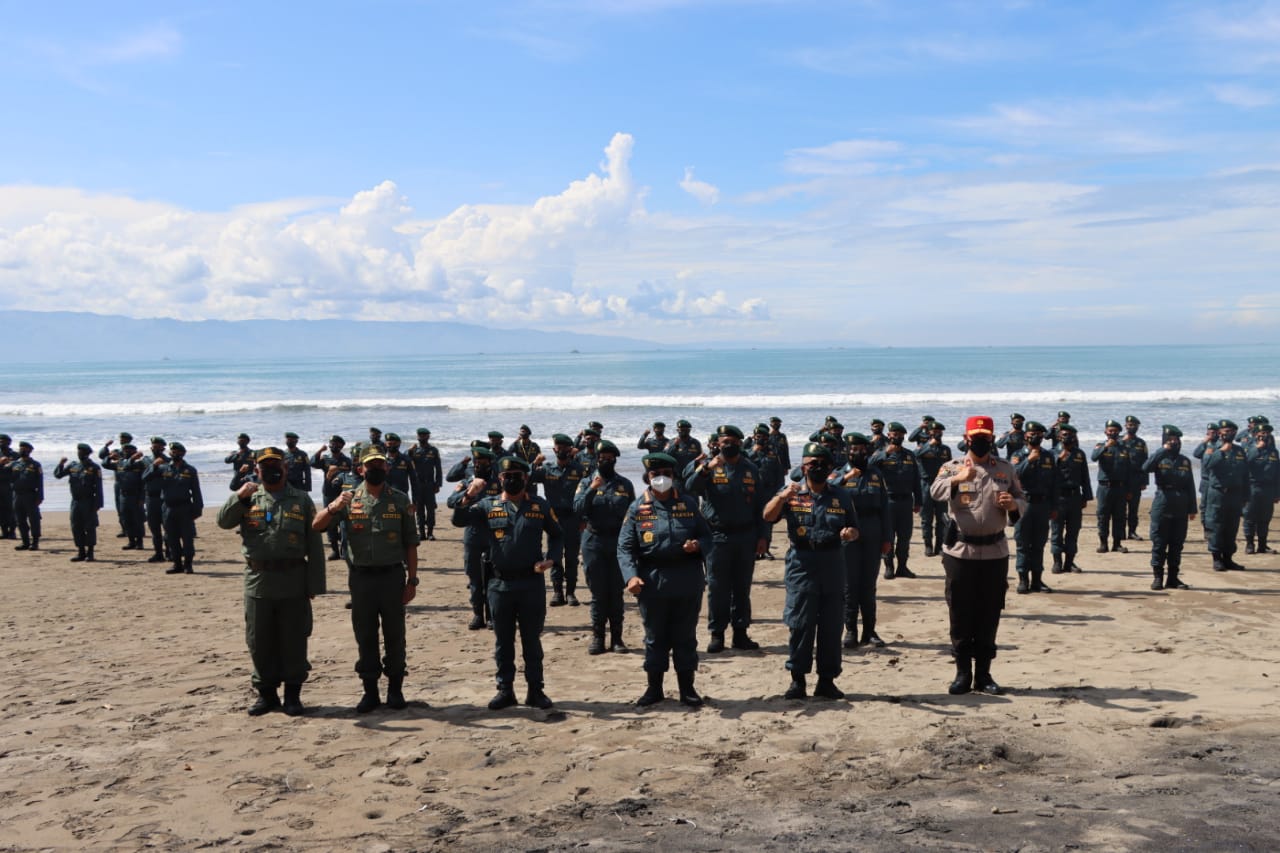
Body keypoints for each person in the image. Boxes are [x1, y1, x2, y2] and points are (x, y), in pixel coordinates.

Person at [218, 447, 327, 716]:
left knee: (294, 638)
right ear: (257, 470)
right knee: (259, 640)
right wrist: (238, 498)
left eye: (275, 465)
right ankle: (266, 695)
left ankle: (293, 696)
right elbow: (223, 522)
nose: (271, 470)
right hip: (259, 581)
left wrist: (314, 585)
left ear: (286, 468)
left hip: (292, 580)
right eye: (264, 466)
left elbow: (314, 544)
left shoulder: (301, 500)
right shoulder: (248, 498)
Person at [452, 456, 563, 710]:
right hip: (499, 585)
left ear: (525, 478)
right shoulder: (487, 506)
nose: (511, 479)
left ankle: (536, 690)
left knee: (531, 641)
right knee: (503, 641)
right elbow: (458, 520)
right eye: (506, 476)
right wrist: (469, 495)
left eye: (517, 476)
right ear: (499, 479)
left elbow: (557, 536)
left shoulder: (539, 506)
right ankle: (505, 690)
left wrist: (551, 560)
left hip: (531, 584)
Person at [314, 446, 420, 713]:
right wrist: (332, 506)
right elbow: (317, 526)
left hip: (392, 577)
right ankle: (370, 692)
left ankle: (395, 691)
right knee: (365, 636)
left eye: (379, 465)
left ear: (387, 468)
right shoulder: (349, 498)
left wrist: (412, 581)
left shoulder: (398, 499)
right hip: (361, 579)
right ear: (360, 469)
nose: (374, 469)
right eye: (369, 465)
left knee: (395, 635)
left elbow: (410, 544)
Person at [930, 416, 1027, 696]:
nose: (981, 440)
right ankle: (962, 672)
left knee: (989, 611)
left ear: (993, 437)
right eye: (976, 436)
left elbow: (1022, 498)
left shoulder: (1005, 469)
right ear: (966, 438)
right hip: (960, 552)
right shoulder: (952, 467)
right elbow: (934, 492)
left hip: (995, 552)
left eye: (986, 436)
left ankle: (984, 673)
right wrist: (960, 478)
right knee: (960, 612)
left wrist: (1014, 504)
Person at [763, 442, 859, 701]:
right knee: (801, 625)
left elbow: (854, 527)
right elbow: (768, 516)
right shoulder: (791, 493)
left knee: (831, 626)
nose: (816, 468)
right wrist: (782, 496)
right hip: (802, 565)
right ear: (803, 466)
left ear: (830, 468)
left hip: (832, 563)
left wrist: (850, 533)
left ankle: (826, 681)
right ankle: (798, 680)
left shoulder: (841, 495)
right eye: (811, 463)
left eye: (822, 464)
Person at [620, 452, 713, 707]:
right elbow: (625, 547)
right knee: (655, 637)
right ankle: (654, 689)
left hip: (686, 579)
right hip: (652, 581)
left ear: (674, 477)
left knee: (685, 636)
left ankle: (687, 689)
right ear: (647, 477)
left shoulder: (689, 504)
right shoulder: (637, 508)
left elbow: (709, 538)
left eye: (666, 474)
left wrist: (698, 546)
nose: (661, 479)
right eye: (655, 474)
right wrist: (631, 577)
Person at [686, 425, 767, 654]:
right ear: (717, 444)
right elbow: (690, 487)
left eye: (732, 441)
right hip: (716, 536)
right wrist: (705, 469)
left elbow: (760, 505)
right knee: (717, 588)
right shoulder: (709, 467)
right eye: (724, 441)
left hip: (746, 535)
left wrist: (763, 536)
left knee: (742, 587)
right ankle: (717, 634)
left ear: (740, 443)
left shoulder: (750, 469)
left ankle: (740, 633)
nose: (728, 445)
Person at [573, 440, 636, 654]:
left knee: (616, 592)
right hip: (594, 541)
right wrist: (592, 489)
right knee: (598, 592)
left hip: (618, 542)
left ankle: (617, 638)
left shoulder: (625, 485)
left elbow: (633, 515)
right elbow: (578, 509)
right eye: (602, 458)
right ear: (596, 459)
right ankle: (598, 637)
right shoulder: (585, 482)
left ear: (615, 460)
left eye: (610, 458)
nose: (605, 461)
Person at [838, 433, 889, 648]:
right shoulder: (838, 474)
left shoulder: (876, 474)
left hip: (873, 532)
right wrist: (846, 478)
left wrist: (887, 538)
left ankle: (869, 631)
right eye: (853, 449)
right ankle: (850, 630)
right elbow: (826, 497)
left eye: (861, 449)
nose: (858, 453)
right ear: (847, 451)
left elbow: (885, 509)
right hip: (848, 533)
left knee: (868, 586)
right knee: (850, 585)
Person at [445, 445, 502, 629]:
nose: (478, 466)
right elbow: (451, 502)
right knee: (474, 577)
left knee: (495, 577)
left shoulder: (499, 481)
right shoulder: (468, 481)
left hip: (495, 534)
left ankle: (493, 615)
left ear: (490, 463)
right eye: (476, 462)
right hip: (473, 534)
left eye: (482, 463)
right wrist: (469, 494)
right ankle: (478, 614)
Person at [530, 434, 587, 607]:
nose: (561, 450)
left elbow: (586, 495)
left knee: (571, 557)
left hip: (573, 519)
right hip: (553, 520)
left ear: (571, 449)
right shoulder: (547, 469)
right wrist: (534, 462)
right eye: (558, 447)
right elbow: (528, 477)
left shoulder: (579, 470)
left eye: (565, 447)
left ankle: (570, 593)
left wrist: (584, 518)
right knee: (554, 556)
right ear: (554, 449)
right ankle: (557, 592)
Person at [1143, 426, 1195, 590]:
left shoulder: (1184, 461)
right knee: (1159, 542)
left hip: (1181, 505)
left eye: (1177, 439)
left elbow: (1190, 485)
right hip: (1163, 503)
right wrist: (1162, 450)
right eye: (1171, 439)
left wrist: (1192, 508)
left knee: (1176, 544)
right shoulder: (1159, 458)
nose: (1174, 442)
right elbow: (1146, 468)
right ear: (1165, 441)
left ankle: (1173, 578)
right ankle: (1158, 577)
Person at [869, 422, 921, 579]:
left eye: (899, 434)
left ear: (903, 436)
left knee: (905, 537)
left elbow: (916, 480)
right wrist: (884, 453)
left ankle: (902, 567)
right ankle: (889, 567)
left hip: (905, 502)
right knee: (888, 536)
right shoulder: (881, 453)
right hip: (888, 502)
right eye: (893, 434)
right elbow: (868, 466)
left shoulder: (909, 455)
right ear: (889, 435)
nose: (896, 436)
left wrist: (918, 501)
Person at [143, 441, 204, 574]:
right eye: (172, 451)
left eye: (177, 451)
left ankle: (188, 564)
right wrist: (153, 465)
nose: (174, 453)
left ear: (183, 454)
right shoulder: (164, 468)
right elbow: (145, 478)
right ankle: (177, 564)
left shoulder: (190, 470)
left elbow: (196, 492)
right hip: (168, 508)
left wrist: (198, 509)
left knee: (187, 538)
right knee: (172, 538)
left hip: (184, 508)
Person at [1011, 422, 1057, 594]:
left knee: (1039, 544)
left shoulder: (1048, 456)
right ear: (1025, 436)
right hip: (1024, 504)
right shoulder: (1018, 455)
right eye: (1032, 433)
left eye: (1038, 433)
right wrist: (1028, 460)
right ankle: (1023, 580)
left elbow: (1054, 483)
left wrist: (1054, 506)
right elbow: (1014, 476)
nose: (1035, 436)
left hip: (1043, 505)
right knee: (1022, 543)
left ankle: (1037, 581)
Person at [1203, 419, 1250, 571]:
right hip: (1218, 495)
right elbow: (1207, 465)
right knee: (1216, 526)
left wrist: (1246, 496)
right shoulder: (1212, 448)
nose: (1227, 433)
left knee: (1231, 527)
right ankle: (1217, 559)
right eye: (1224, 431)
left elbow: (1245, 475)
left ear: (1234, 433)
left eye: (1230, 431)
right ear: (1219, 433)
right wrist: (1221, 451)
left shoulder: (1239, 451)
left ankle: (1228, 558)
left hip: (1235, 495)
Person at [1049, 424, 1092, 574]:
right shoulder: (1051, 454)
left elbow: (1085, 476)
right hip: (1058, 497)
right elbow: (1047, 476)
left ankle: (1069, 562)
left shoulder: (1079, 454)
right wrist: (1058, 460)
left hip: (1075, 498)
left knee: (1073, 531)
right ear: (1059, 436)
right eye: (1064, 434)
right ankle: (1057, 562)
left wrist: (1086, 496)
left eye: (1070, 435)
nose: (1067, 437)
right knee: (1056, 531)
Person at [54, 443, 104, 563]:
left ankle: (90, 552)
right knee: (76, 526)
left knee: (89, 527)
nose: (80, 454)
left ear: (87, 454)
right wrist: (60, 464)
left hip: (88, 501)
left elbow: (98, 488)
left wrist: (98, 504)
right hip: (75, 501)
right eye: (79, 452)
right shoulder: (73, 466)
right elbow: (58, 475)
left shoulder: (94, 468)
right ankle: (81, 551)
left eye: (82, 452)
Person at [1091, 420, 1131, 554]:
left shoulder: (1124, 448)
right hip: (1104, 487)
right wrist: (1105, 447)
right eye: (1110, 430)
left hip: (1120, 488)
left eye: (1115, 431)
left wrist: (1129, 489)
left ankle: (1117, 544)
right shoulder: (1100, 446)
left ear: (1119, 432)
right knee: (1103, 516)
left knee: (1119, 516)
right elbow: (1093, 457)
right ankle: (1103, 543)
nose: (1112, 433)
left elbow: (1129, 469)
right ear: (1105, 432)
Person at [915, 421, 952, 557]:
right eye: (934, 431)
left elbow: (950, 467)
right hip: (926, 485)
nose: (936, 433)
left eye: (939, 431)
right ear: (929, 432)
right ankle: (928, 545)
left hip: (942, 485)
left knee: (942, 517)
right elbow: (915, 456)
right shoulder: (922, 447)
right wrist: (928, 446)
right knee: (926, 519)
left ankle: (940, 546)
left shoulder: (945, 449)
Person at [312, 435, 352, 560]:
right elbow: (312, 463)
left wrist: (338, 469)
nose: (333, 445)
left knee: (344, 522)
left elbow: (353, 473)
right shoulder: (325, 458)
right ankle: (335, 550)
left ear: (341, 446)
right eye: (331, 443)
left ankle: (344, 549)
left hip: (342, 494)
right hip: (328, 493)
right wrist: (319, 451)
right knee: (329, 521)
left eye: (336, 443)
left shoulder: (347, 460)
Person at [103, 444, 147, 551]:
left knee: (137, 519)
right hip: (123, 495)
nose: (126, 451)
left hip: (136, 495)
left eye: (129, 450)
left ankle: (139, 542)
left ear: (134, 451)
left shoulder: (140, 464)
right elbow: (104, 464)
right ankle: (131, 541)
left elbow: (144, 482)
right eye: (125, 450)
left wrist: (142, 498)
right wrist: (109, 457)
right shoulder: (119, 463)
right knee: (126, 519)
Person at [1244, 425, 1279, 555]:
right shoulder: (1248, 448)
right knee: (1250, 517)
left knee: (1265, 518)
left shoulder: (1273, 451)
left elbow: (1277, 474)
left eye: (1266, 433)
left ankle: (1262, 545)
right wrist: (1256, 449)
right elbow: (1243, 464)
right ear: (1255, 434)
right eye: (1261, 433)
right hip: (1252, 487)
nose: (1264, 435)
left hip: (1268, 489)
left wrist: (1277, 493)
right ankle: (1249, 544)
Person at [408, 428, 443, 541]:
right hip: (417, 485)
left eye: (424, 435)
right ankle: (422, 533)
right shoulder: (414, 450)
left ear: (428, 437)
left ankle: (430, 533)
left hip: (429, 485)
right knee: (419, 509)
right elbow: (405, 460)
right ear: (417, 437)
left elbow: (438, 468)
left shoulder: (433, 450)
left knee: (431, 509)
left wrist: (438, 484)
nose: (422, 437)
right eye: (420, 435)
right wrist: (409, 451)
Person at [97, 431, 133, 538]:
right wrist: (106, 447)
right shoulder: (116, 451)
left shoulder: (132, 451)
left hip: (130, 483)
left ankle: (135, 529)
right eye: (121, 438)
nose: (122, 440)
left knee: (132, 508)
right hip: (118, 482)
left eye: (124, 439)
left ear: (129, 440)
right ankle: (124, 529)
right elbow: (102, 457)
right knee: (119, 507)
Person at [9, 441, 44, 551]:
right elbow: (4, 474)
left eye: (24, 449)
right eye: (20, 448)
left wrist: (40, 497)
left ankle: (35, 542)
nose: (22, 450)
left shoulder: (35, 465)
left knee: (34, 519)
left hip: (30, 495)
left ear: (29, 451)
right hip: (17, 495)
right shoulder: (14, 464)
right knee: (20, 520)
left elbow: (40, 482)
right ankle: (25, 542)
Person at [1121, 416, 1149, 541]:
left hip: (1136, 480)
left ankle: (1132, 531)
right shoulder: (1119, 440)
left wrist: (1144, 481)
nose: (1131, 427)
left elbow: (1145, 463)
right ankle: (1120, 532)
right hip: (1121, 480)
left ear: (1137, 427)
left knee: (1133, 508)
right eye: (1129, 424)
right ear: (1125, 426)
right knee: (1120, 509)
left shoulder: (1141, 443)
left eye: (1134, 425)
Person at [143, 437, 170, 563]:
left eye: (158, 446)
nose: (155, 448)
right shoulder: (146, 460)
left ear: (163, 448)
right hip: (151, 498)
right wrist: (154, 465)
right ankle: (158, 553)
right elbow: (145, 477)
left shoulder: (169, 461)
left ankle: (170, 552)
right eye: (154, 446)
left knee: (168, 527)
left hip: (164, 498)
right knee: (154, 528)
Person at [0, 434, 16, 540]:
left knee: (11, 509)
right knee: (1, 510)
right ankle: (4, 532)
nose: (2, 443)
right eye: (0, 441)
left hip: (10, 486)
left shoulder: (15, 455)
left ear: (9, 443)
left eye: (4, 441)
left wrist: (10, 463)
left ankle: (12, 532)